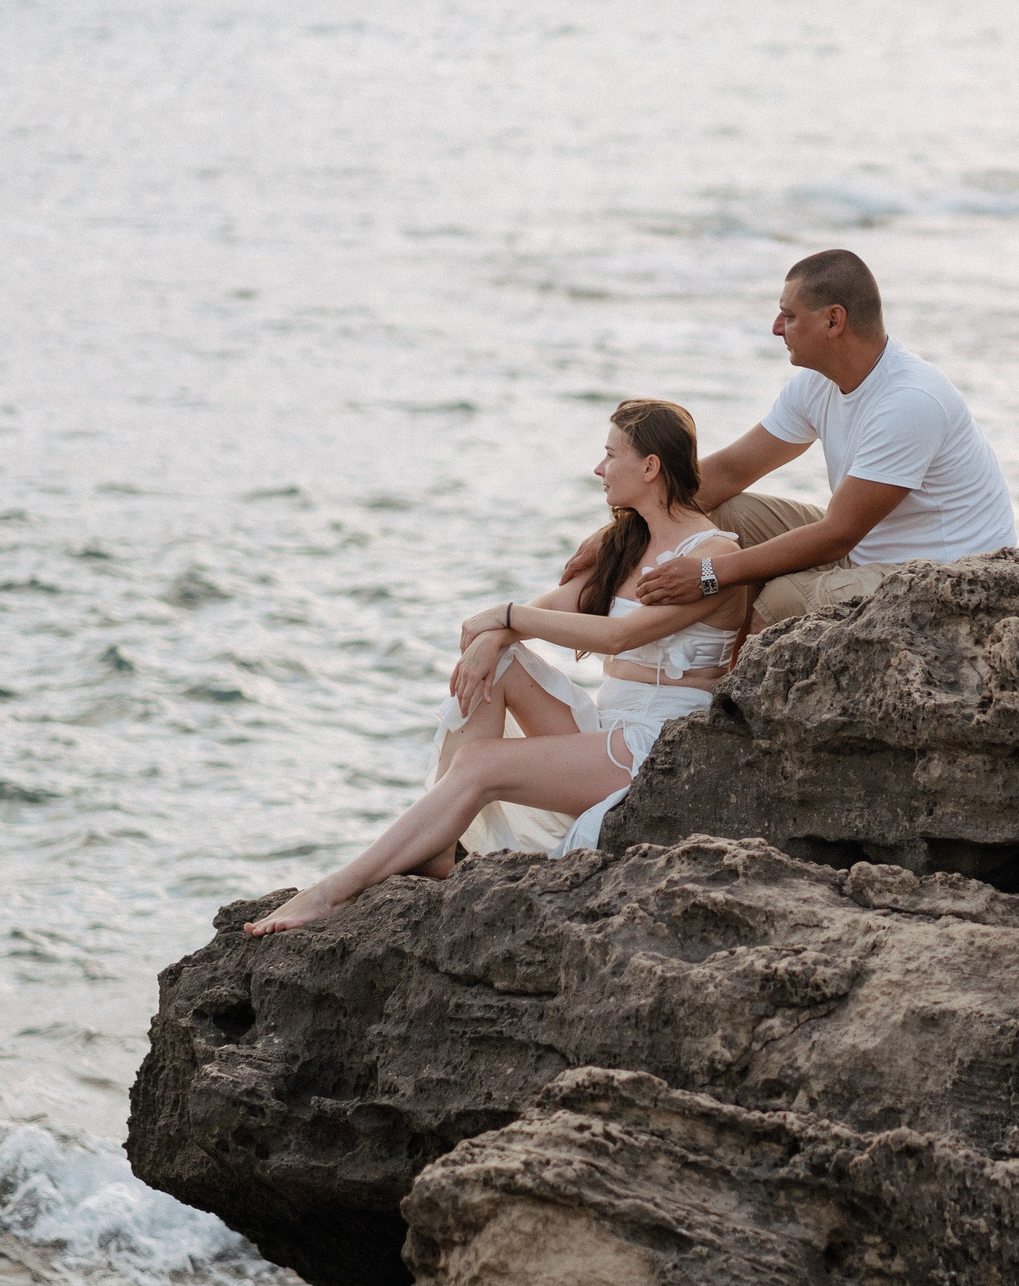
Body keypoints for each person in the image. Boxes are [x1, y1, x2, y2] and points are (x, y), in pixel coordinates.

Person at [244, 399, 750, 936]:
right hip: (609, 731)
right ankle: (440, 847)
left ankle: (331, 894)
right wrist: (497, 636)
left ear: (650, 467)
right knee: (498, 662)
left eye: (610, 455)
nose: (598, 470)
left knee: (479, 765)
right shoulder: (629, 542)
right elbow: (557, 605)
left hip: (658, 748)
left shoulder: (711, 556)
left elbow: (619, 634)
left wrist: (506, 615)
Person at [582, 249, 1016, 622]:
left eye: (788, 316)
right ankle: (686, 674)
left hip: (945, 574)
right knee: (723, 514)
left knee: (780, 601)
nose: (775, 327)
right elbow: (730, 472)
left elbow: (838, 533)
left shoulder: (910, 401)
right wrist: (615, 534)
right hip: (866, 548)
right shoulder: (817, 383)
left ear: (833, 321)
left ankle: (728, 708)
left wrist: (710, 572)